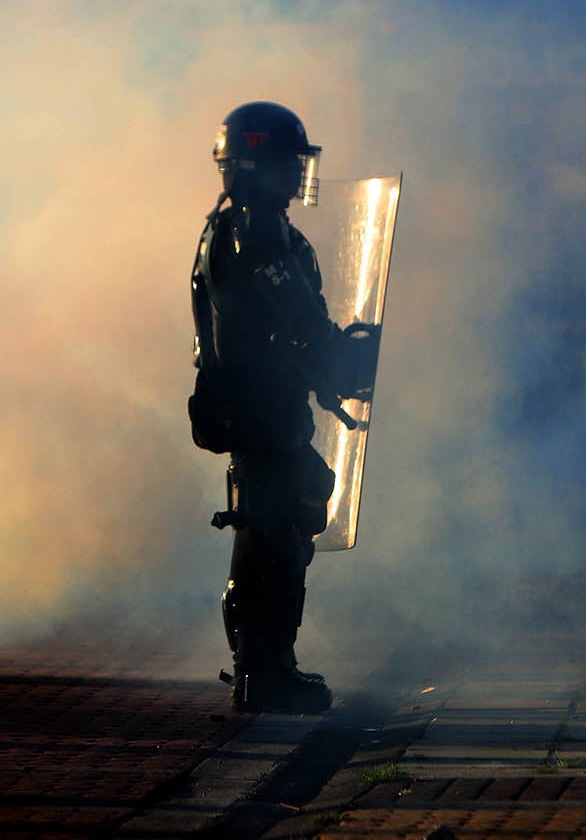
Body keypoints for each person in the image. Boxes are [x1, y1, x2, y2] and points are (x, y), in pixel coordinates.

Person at [188, 101, 345, 714]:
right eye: (286, 162)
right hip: (258, 406)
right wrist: (331, 353)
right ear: (257, 164)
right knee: (273, 534)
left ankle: (267, 665)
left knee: (278, 520)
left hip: (252, 403)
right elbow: (295, 315)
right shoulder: (255, 231)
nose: (295, 174)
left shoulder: (229, 225)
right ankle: (264, 672)